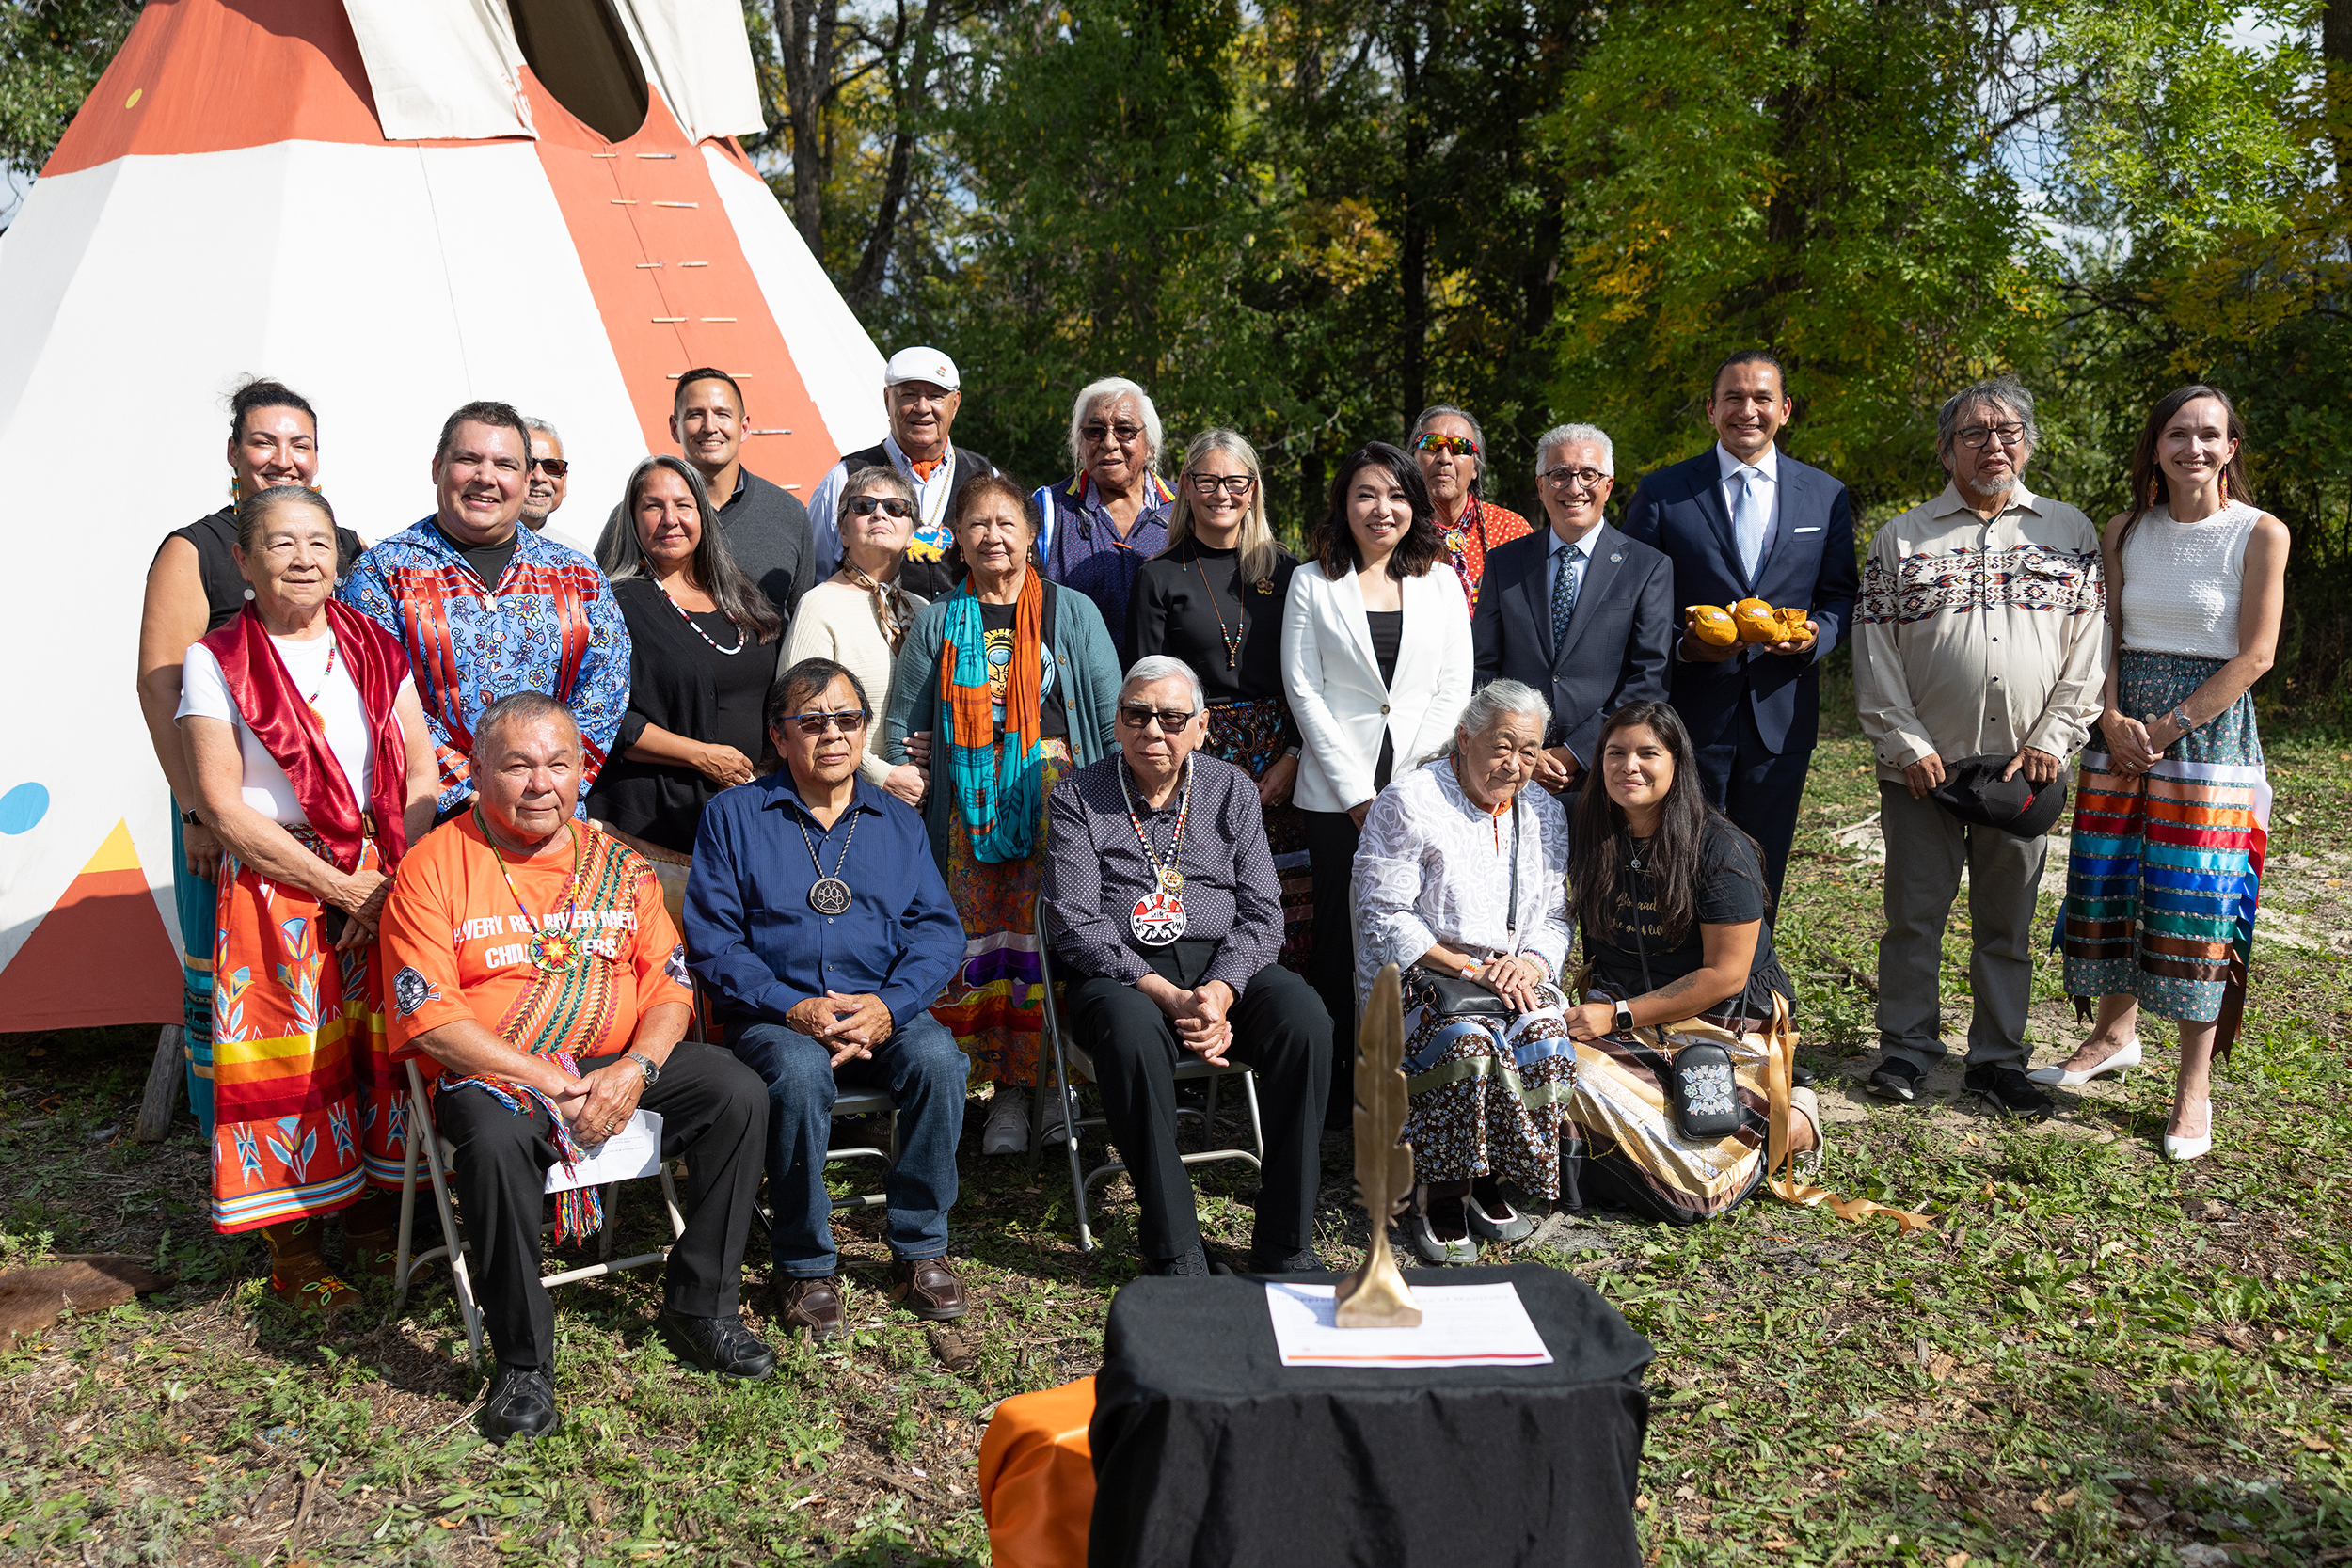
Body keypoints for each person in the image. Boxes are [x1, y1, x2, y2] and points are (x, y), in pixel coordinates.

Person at [381, 693, 775, 1443]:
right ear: (474, 770)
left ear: (582, 769)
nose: (542, 783)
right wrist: (552, 1079)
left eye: (559, 763)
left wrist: (635, 1067)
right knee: (493, 1144)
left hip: (616, 1057)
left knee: (740, 1091)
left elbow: (670, 985)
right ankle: (522, 1361)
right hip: (500, 1070)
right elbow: (431, 1016)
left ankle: (701, 1305)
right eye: (519, 764)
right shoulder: (434, 864)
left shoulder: (619, 866)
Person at [176, 485, 438, 1306]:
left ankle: (372, 1211)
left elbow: (421, 769)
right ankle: (296, 1250)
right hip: (275, 884)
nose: (303, 559)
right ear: (243, 560)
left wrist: (391, 883)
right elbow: (221, 805)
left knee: (376, 1046)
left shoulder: (374, 644)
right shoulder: (215, 659)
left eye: (320, 543)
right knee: (292, 1061)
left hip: (378, 869)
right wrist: (340, 889)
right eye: (282, 543)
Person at [686, 659, 971, 1339]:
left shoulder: (896, 821)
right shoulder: (733, 816)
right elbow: (714, 943)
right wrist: (792, 1006)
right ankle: (805, 1263)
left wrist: (889, 1007)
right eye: (812, 722)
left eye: (848, 720)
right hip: (776, 1018)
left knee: (938, 1057)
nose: (833, 735)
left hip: (882, 1009)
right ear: (779, 737)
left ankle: (920, 1246)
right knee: (799, 1070)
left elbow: (938, 931)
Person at [2044, 386, 2287, 1163]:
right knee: (2110, 884)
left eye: (2210, 434)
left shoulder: (2259, 533)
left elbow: (2257, 653)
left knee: (2194, 912)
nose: (2194, 447)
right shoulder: (2125, 531)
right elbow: (2109, 635)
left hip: (2208, 734)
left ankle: (2193, 1088)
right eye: (2178, 434)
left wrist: (2167, 726)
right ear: (2154, 447)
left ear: (2231, 447)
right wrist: (2111, 718)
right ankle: (2113, 1035)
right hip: (2121, 732)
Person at [1855, 378, 2107, 1119]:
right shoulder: (1900, 538)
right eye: (1975, 432)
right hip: (1923, 769)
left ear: (2028, 443)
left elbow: (2088, 648)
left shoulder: (2070, 531)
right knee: (1914, 913)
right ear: (1945, 448)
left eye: (2008, 431)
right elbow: (1873, 649)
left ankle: (1998, 1059)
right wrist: (1904, 743)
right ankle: (1905, 1047)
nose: (1993, 443)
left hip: (2024, 768)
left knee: (2009, 922)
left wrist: (2054, 738)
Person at [1044, 657, 1333, 1275]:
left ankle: (1286, 1241)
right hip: (1122, 971)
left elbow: (1261, 912)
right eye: (1138, 714)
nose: (1154, 729)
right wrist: (1168, 996)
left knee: (1304, 1019)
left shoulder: (1230, 788)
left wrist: (1222, 991)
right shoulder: (1077, 796)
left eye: (1172, 716)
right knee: (1128, 1034)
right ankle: (1174, 1245)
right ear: (1116, 725)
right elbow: (1074, 920)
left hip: (1221, 960)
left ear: (1201, 726)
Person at [138, 378, 364, 1137]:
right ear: (233, 453)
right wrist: (198, 812)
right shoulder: (194, 549)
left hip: (331, 808)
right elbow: (160, 685)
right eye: (264, 442)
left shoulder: (345, 542)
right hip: (229, 807)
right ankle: (234, 1137)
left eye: (300, 443)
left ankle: (336, 1140)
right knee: (239, 981)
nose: (283, 458)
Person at [882, 475, 1122, 1155]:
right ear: (957, 536)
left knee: (1054, 941)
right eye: (978, 523)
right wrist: (921, 755)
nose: (993, 535)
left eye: (1006, 522)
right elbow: (902, 727)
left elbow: (1107, 721)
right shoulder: (937, 622)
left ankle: (1054, 1090)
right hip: (965, 817)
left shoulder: (1070, 614)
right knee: (975, 951)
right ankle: (998, 1095)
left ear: (1030, 534)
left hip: (1061, 811)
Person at [1559, 702, 1822, 1224]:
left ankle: (1792, 1123)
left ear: (1677, 763)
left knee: (1694, 1193)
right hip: (1622, 1020)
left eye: (1647, 753)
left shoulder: (1719, 848)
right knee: (1553, 1068)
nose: (1628, 766)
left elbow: (1726, 974)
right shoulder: (1588, 833)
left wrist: (1619, 1015)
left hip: (1719, 1022)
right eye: (1614, 753)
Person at [1622, 350, 1860, 901]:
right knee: (1674, 859)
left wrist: (1815, 635)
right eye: (1733, 397)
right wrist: (1682, 649)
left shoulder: (1824, 495)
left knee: (1762, 862)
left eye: (1761, 398)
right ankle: (1678, 979)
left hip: (1780, 713)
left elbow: (1839, 595)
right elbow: (1632, 602)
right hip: (1685, 715)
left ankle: (1753, 980)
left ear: (1786, 409)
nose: (1746, 410)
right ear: (1711, 409)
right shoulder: (1665, 493)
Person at [1280, 441, 1472, 1116]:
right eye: (1365, 494)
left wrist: (1404, 789)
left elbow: (1454, 689)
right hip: (1337, 798)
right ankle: (1337, 1092)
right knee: (1340, 935)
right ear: (1343, 505)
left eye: (1395, 494)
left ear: (1414, 505)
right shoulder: (1312, 582)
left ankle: (1411, 1077)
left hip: (1420, 794)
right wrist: (1360, 793)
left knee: (1416, 930)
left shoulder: (1441, 581)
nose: (1380, 508)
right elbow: (1304, 691)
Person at [1352, 681, 1574, 1263]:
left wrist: (1529, 964)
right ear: (1465, 737)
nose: (1515, 764)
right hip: (1427, 974)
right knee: (1466, 1043)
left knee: (1545, 1035)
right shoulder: (1410, 801)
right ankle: (1441, 1192)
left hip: (1511, 977)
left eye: (1529, 751)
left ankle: (1492, 1179)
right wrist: (1468, 968)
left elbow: (1553, 913)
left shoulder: (1545, 812)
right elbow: (1383, 915)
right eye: (1503, 745)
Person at [341, 400, 630, 823]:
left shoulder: (577, 575)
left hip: (551, 816)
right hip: (433, 819)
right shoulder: (383, 574)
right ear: (438, 467)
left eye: (504, 464)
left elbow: (607, 687)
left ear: (527, 477)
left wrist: (547, 784)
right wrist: (468, 789)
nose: (486, 478)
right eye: (468, 460)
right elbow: (376, 696)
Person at [1128, 429, 1311, 970]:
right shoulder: (1158, 576)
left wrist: (1294, 758)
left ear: (1253, 489)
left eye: (1234, 481)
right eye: (1206, 481)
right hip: (1198, 756)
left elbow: (1312, 676)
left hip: (1286, 755)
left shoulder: (1286, 570)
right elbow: (1147, 686)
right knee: (1213, 896)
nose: (1221, 493)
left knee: (1291, 902)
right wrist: (1188, 766)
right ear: (1184, 486)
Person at [588, 455, 785, 921]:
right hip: (656, 831)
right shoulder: (616, 602)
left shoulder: (741, 595)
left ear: (704, 515)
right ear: (632, 520)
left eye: (684, 504)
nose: (670, 519)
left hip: (745, 824)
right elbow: (605, 721)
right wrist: (701, 756)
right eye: (653, 506)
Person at [1471, 421, 1674, 796]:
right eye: (1560, 474)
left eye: (1589, 475)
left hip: (1604, 771)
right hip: (1511, 771)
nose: (1574, 487)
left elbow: (1649, 678)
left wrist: (1577, 752)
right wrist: (1522, 751)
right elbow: (1483, 667)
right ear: (1541, 485)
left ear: (1608, 486)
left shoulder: (1648, 567)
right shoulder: (1504, 563)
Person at [782, 467, 930, 805]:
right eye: (863, 506)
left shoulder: (925, 612)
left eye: (895, 507)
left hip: (925, 800)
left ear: (911, 533)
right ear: (843, 532)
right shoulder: (818, 606)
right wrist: (884, 777)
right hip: (844, 802)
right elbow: (803, 719)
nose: (879, 513)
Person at [806, 347, 999, 600]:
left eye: (936, 396)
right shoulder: (843, 479)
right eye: (908, 395)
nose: (922, 407)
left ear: (956, 403)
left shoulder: (987, 477)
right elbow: (815, 581)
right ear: (887, 399)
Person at [1038, 377, 1175, 664]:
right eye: (1095, 432)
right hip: (1077, 693)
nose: (1109, 442)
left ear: (1150, 445)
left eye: (1125, 430)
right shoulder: (1047, 509)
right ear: (1080, 443)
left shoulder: (1184, 508)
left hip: (1166, 696)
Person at [663, 367, 817, 623]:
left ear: (744, 427)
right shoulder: (646, 517)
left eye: (722, 414)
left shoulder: (789, 514)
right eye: (695, 415)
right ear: (674, 427)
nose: (710, 426)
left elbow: (806, 622)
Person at [1410, 404, 1533, 611]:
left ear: (1476, 467)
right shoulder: (1396, 529)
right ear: (1411, 458)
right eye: (1431, 444)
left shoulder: (1510, 530)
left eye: (1460, 447)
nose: (1444, 458)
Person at [519, 418, 568, 531]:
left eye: (551, 466)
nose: (539, 477)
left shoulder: (576, 549)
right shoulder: (476, 547)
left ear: (564, 481)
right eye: (528, 464)